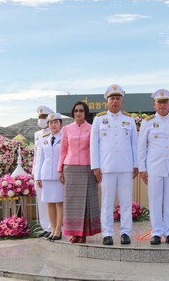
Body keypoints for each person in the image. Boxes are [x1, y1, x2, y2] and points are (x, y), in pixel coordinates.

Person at [90, 84, 139, 246]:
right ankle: (107, 233)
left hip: (126, 167)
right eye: (112, 98)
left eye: (118, 98)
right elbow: (94, 145)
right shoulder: (98, 119)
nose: (115, 101)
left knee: (126, 202)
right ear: (107, 101)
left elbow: (134, 144)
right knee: (106, 202)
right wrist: (95, 166)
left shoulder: (129, 119)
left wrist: (136, 164)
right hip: (106, 167)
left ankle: (126, 232)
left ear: (122, 102)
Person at [138, 89, 169, 245]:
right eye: (159, 102)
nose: (162, 105)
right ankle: (157, 232)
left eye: (165, 102)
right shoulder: (147, 122)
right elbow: (141, 147)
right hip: (154, 167)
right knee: (155, 200)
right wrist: (142, 168)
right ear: (154, 104)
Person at [58, 101, 101, 244]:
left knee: (87, 201)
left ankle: (83, 233)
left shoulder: (92, 128)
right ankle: (73, 232)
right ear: (73, 113)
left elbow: (96, 150)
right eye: (76, 110)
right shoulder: (66, 129)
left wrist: (97, 168)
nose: (78, 113)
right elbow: (63, 150)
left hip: (88, 168)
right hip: (70, 168)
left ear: (85, 113)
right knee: (72, 203)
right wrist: (60, 170)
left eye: (81, 110)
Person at [34, 112, 64, 241]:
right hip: (46, 174)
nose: (53, 125)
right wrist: (38, 176)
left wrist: (63, 172)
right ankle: (52, 229)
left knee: (59, 203)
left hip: (59, 175)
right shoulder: (43, 139)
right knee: (49, 203)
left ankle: (58, 230)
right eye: (51, 123)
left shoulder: (64, 137)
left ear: (60, 124)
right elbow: (41, 159)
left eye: (56, 122)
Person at [33, 105, 53, 238]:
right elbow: (36, 155)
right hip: (37, 173)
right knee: (41, 201)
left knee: (51, 201)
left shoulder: (54, 132)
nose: (41, 119)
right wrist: (34, 172)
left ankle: (53, 227)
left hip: (49, 172)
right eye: (40, 117)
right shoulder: (36, 134)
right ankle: (45, 227)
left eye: (44, 117)